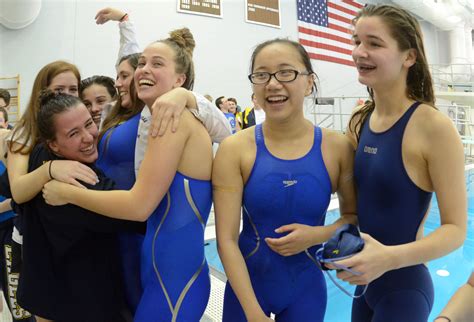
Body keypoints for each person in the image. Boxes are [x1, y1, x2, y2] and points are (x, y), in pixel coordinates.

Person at [43, 28, 214, 322]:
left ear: (179, 80)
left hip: (176, 279)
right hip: (159, 269)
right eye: (143, 63)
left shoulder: (178, 119)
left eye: (157, 64)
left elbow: (139, 206)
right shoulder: (155, 119)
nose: (144, 70)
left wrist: (67, 193)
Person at [213, 38, 357, 322]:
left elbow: (353, 217)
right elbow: (226, 240)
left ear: (309, 82)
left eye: (286, 72)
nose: (273, 84)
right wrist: (253, 313)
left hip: (307, 290)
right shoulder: (235, 149)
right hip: (247, 292)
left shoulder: (337, 148)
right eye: (262, 74)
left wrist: (317, 235)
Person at [338, 5, 467, 321]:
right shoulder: (359, 121)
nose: (359, 52)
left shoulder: (433, 128)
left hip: (403, 288)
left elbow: (455, 230)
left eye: (374, 43)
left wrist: (387, 259)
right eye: (356, 41)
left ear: (409, 57)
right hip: (363, 284)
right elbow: (353, 208)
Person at [17, 91, 141, 322]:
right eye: (74, 133)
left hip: (45, 295)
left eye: (88, 124)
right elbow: (137, 216)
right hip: (77, 303)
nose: (88, 137)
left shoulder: (38, 156)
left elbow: (16, 193)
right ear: (53, 144)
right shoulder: (82, 178)